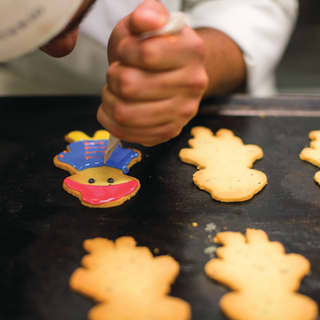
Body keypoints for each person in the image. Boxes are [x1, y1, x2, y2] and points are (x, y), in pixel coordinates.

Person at [0, 0, 298, 146]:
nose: (61, 44)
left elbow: (249, 6)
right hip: (17, 103)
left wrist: (190, 63)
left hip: (210, 118)